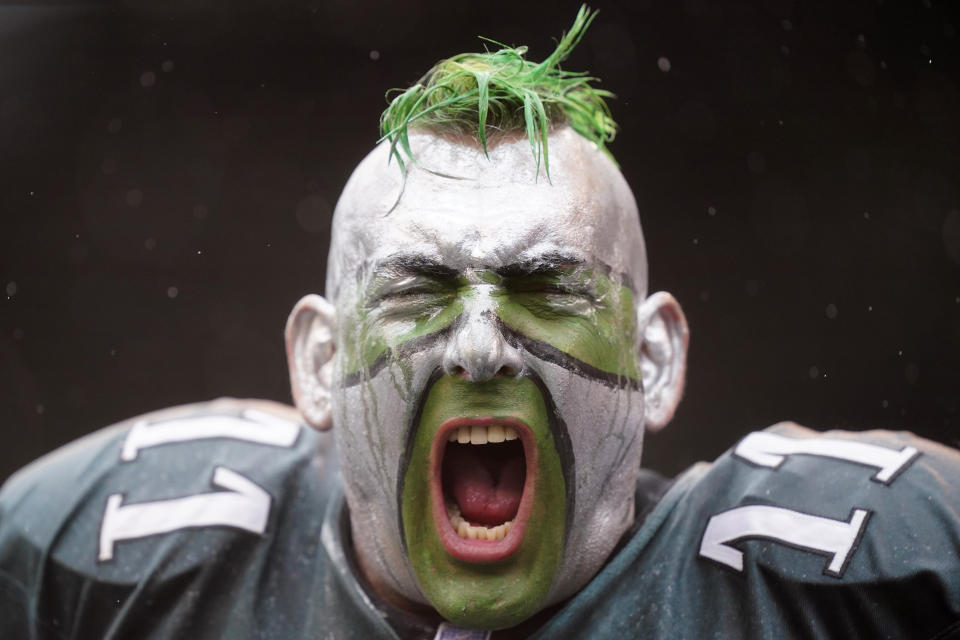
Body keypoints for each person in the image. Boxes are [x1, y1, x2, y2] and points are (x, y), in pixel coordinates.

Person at [1, 8, 958, 638]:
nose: (479, 346)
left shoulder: (855, 572)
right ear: (319, 362)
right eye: (417, 291)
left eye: (546, 286)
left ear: (654, 359)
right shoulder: (125, 544)